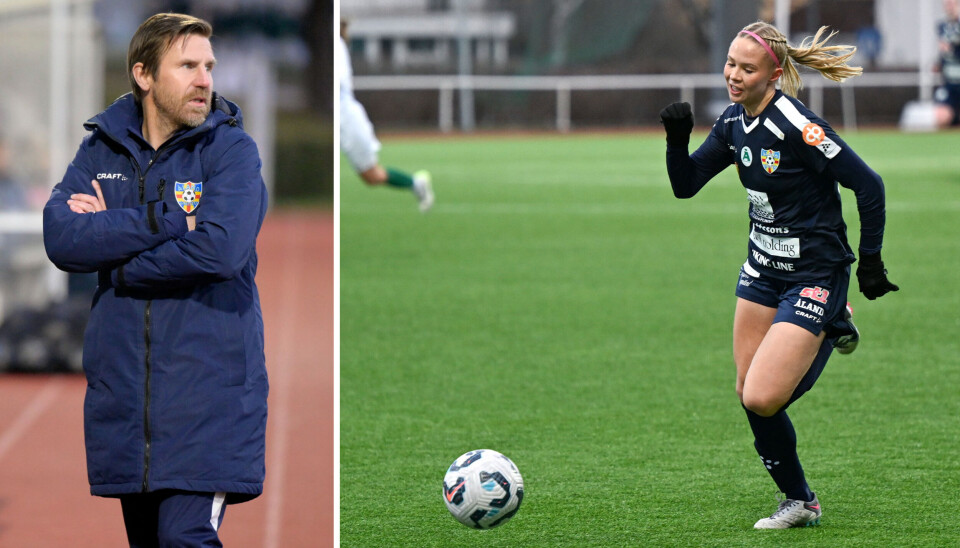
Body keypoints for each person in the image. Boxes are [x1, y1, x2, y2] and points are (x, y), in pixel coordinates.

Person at [659, 22, 898, 529]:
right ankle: (801, 501)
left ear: (773, 74)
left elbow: (869, 185)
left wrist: (871, 261)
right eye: (730, 63)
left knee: (764, 397)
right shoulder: (731, 123)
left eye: (747, 68)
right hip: (762, 270)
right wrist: (676, 141)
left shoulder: (795, 122)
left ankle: (835, 320)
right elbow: (685, 186)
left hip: (815, 271)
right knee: (748, 392)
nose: (734, 75)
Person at [42, 13, 268, 546]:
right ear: (144, 75)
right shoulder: (101, 149)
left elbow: (219, 251)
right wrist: (166, 220)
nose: (205, 79)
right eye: (187, 65)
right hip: (127, 405)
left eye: (208, 66)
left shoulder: (232, 153)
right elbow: (63, 238)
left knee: (186, 539)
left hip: (206, 400)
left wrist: (115, 258)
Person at [338, 18, 434, 212]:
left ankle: (416, 183)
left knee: (372, 176)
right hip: (341, 116)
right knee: (371, 176)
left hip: (347, 118)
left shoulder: (337, 46)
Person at [935, 0, 960, 128]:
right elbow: (944, 53)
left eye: (952, 4)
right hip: (950, 84)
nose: (949, 7)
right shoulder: (942, 26)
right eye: (947, 4)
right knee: (941, 116)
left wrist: (953, 48)